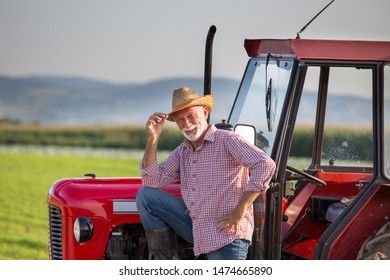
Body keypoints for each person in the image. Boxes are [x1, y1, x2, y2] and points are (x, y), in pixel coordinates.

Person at [136, 87, 276, 260]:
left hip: (227, 233)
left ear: (205, 112)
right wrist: (153, 138)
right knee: (147, 196)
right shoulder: (183, 151)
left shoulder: (228, 140)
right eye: (180, 120)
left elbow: (266, 164)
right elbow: (151, 181)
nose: (187, 124)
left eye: (191, 116)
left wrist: (240, 209)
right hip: (199, 229)